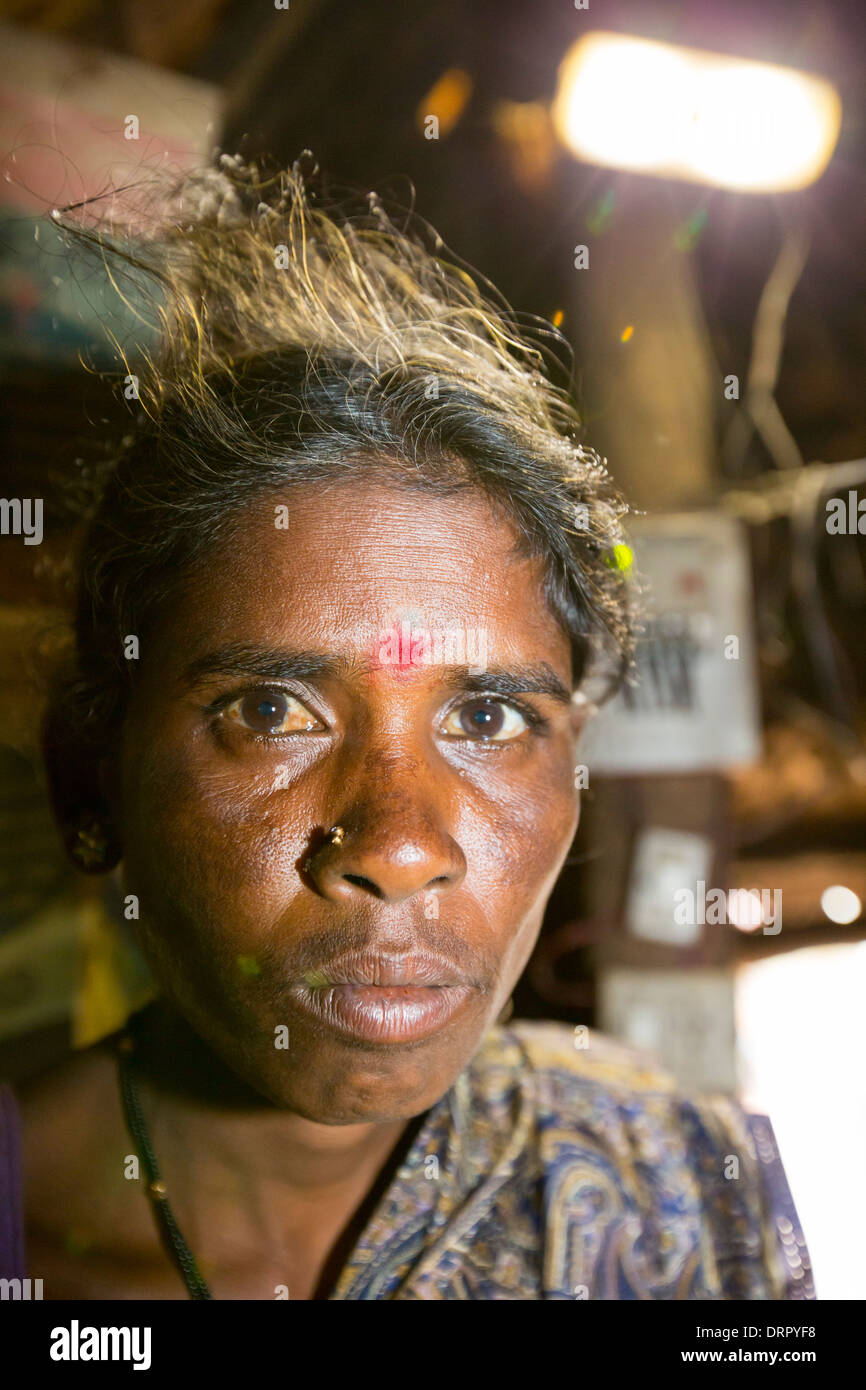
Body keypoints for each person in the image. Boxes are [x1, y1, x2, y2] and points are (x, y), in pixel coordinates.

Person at [0, 153, 813, 1300]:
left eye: (486, 715)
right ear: (90, 778)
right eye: (270, 710)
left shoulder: (683, 1200)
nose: (396, 846)